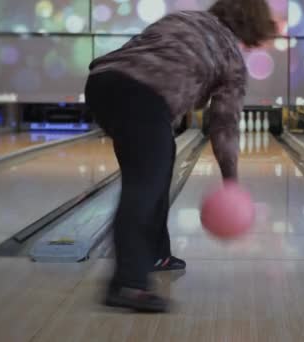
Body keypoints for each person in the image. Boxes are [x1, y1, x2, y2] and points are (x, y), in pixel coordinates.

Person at [84, 0, 276, 312]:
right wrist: (231, 182)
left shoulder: (181, 18)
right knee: (145, 185)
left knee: (155, 169)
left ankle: (158, 254)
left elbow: (138, 52)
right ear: (252, 27)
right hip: (143, 98)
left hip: (102, 83)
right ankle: (128, 284)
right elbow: (223, 125)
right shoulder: (231, 58)